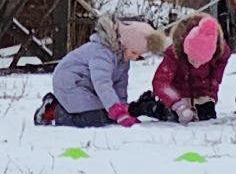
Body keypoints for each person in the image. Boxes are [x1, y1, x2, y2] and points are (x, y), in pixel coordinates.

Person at [34, 14, 167, 128]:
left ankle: (65, 105)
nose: (135, 57)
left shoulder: (123, 59)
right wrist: (116, 111)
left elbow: (120, 86)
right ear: (124, 43)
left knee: (107, 115)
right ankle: (54, 110)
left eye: (139, 56)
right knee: (94, 118)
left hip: (89, 87)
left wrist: (122, 110)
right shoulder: (102, 52)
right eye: (134, 52)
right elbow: (102, 83)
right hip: (71, 83)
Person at [129, 13, 231, 123]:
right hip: (176, 95)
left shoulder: (220, 54)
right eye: (192, 60)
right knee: (172, 117)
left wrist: (210, 97)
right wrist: (178, 104)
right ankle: (148, 105)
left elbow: (215, 80)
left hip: (201, 93)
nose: (196, 65)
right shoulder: (174, 52)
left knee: (208, 116)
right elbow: (161, 83)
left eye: (202, 62)